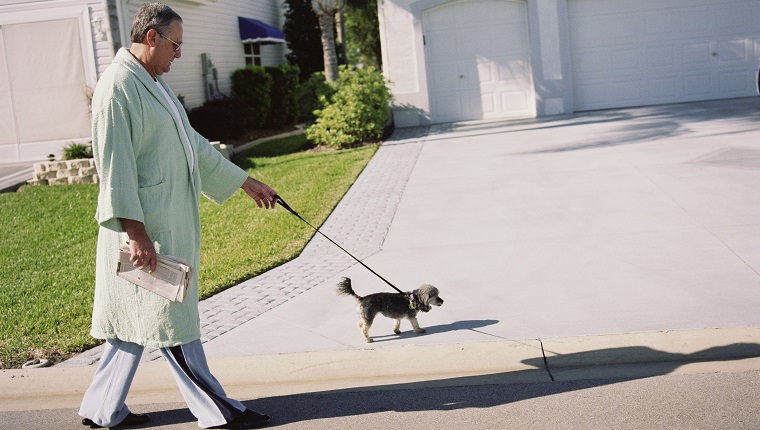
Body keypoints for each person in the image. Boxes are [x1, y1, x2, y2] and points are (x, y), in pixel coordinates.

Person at [79, 3, 276, 429]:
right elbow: (114, 169)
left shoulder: (152, 82)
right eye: (176, 45)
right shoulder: (117, 89)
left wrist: (245, 182)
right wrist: (137, 234)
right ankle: (219, 412)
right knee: (173, 324)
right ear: (152, 38)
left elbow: (193, 143)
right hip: (145, 236)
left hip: (163, 226)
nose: (179, 55)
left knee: (131, 326)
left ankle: (100, 411)